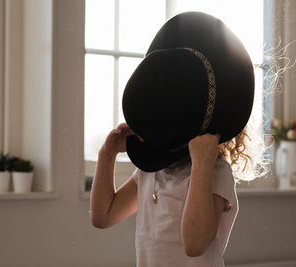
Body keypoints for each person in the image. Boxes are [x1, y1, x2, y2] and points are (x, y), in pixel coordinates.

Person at [90, 11, 256, 266]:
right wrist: (107, 154)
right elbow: (103, 217)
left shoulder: (214, 171)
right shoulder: (150, 173)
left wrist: (202, 163)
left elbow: (195, 244)